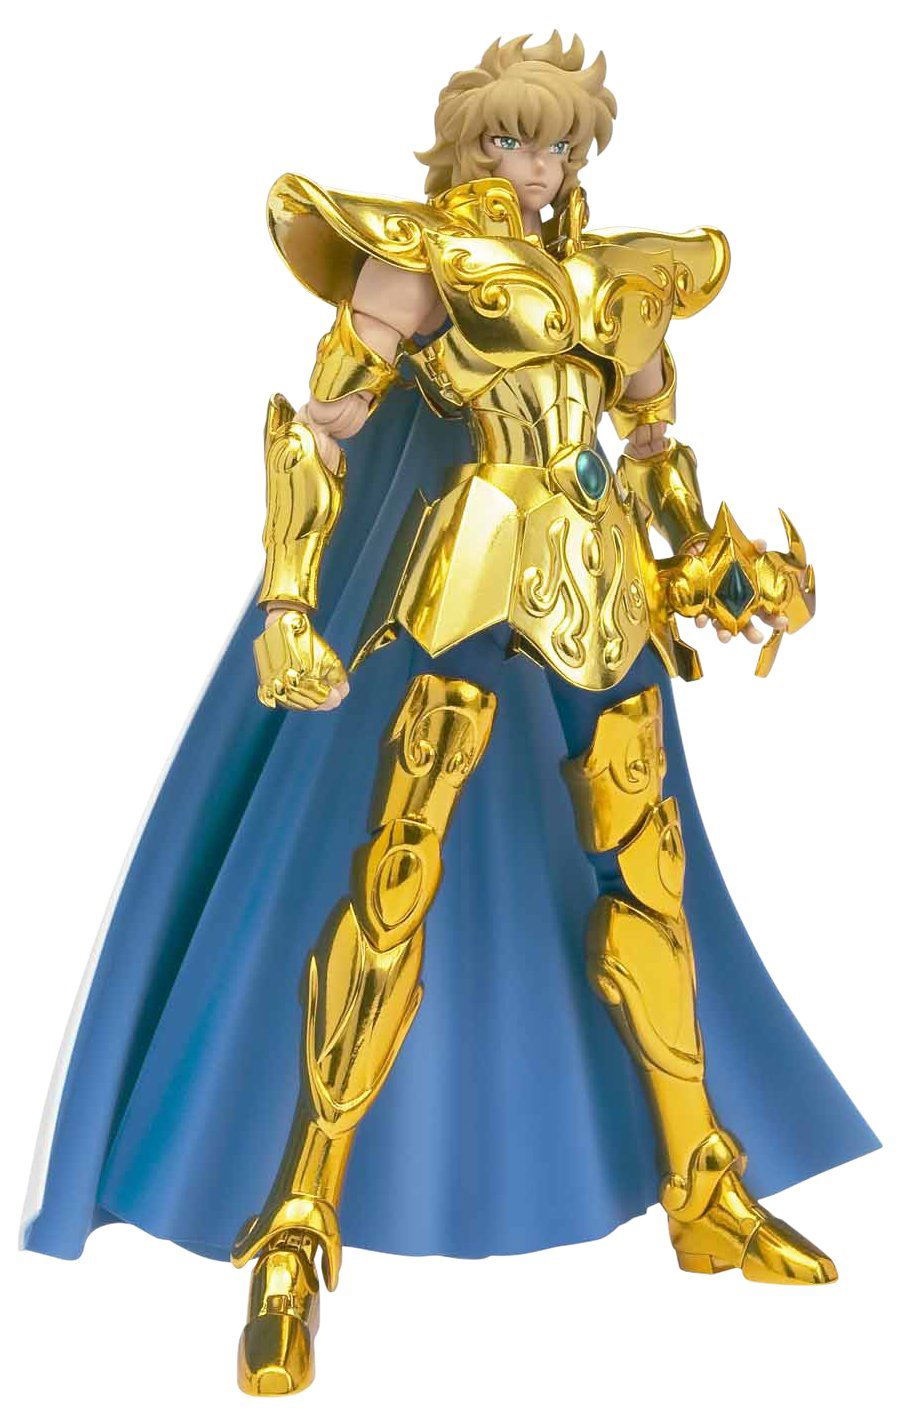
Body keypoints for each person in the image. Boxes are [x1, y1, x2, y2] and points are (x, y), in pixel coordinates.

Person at [23, 32, 879, 1399]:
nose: (539, 164)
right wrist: (291, 603)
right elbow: (319, 429)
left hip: (599, 586)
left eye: (560, 143)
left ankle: (702, 1184)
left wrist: (714, 565)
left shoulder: (627, 277)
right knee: (394, 874)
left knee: (645, 873)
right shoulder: (422, 259)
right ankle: (297, 1223)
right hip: (467, 571)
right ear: (469, 143)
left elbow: (648, 452)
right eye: (514, 138)